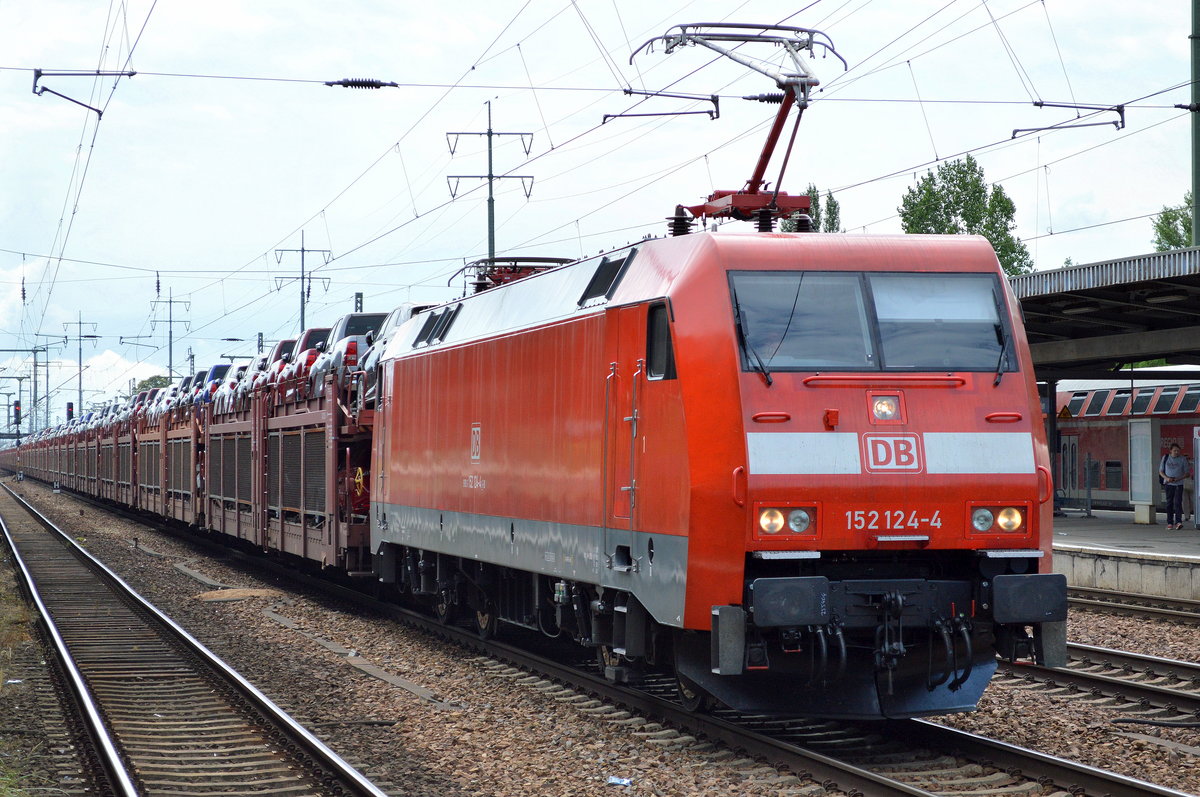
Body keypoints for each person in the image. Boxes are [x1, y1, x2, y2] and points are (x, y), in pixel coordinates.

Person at [1159, 444, 1191, 529]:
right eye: (1175, 451)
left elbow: (1187, 473)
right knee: (1169, 503)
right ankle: (1170, 522)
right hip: (1168, 484)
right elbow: (1161, 471)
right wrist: (1167, 478)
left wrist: (1178, 478)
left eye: (1178, 451)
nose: (1177, 452)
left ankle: (1178, 522)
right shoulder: (1165, 458)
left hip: (1178, 484)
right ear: (1170, 451)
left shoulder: (1182, 459)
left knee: (1178, 503)